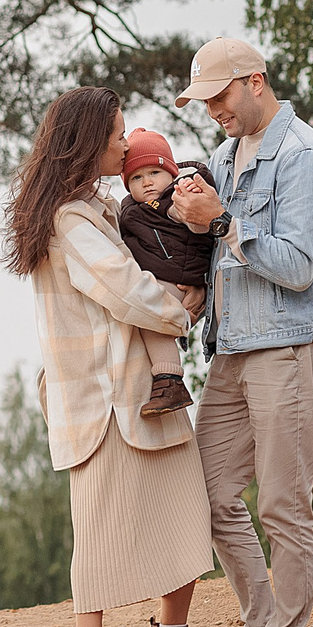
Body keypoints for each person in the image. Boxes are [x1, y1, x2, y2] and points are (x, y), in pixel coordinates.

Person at [5, 86, 234, 627]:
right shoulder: (69, 221)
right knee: (101, 523)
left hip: (142, 387)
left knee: (185, 510)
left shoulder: (100, 208)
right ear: (87, 143)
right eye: (116, 134)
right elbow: (127, 290)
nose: (126, 143)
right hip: (101, 396)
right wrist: (185, 306)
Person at [168, 38, 313, 627]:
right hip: (234, 348)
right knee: (207, 494)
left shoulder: (302, 158)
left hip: (290, 348)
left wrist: (223, 223)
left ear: (256, 81)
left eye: (219, 95)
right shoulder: (223, 156)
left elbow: (298, 266)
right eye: (203, 99)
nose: (212, 108)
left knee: (283, 502)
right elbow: (210, 246)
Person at [116, 127, 209, 417]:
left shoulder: (172, 200)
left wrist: (192, 208)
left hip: (180, 279)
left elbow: (194, 221)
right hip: (163, 275)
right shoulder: (131, 210)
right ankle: (165, 378)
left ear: (170, 173)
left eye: (153, 173)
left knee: (146, 309)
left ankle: (169, 380)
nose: (146, 183)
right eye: (136, 178)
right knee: (144, 309)